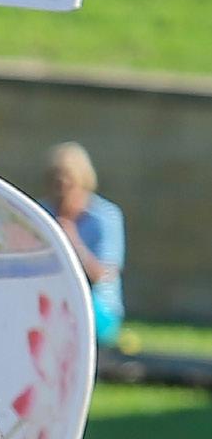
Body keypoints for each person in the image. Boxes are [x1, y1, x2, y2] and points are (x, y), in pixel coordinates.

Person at [42, 143, 125, 346]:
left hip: (97, 308)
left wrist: (73, 242)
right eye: (56, 186)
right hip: (50, 299)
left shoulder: (105, 217)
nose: (61, 195)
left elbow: (105, 275)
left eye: (68, 186)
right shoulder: (42, 213)